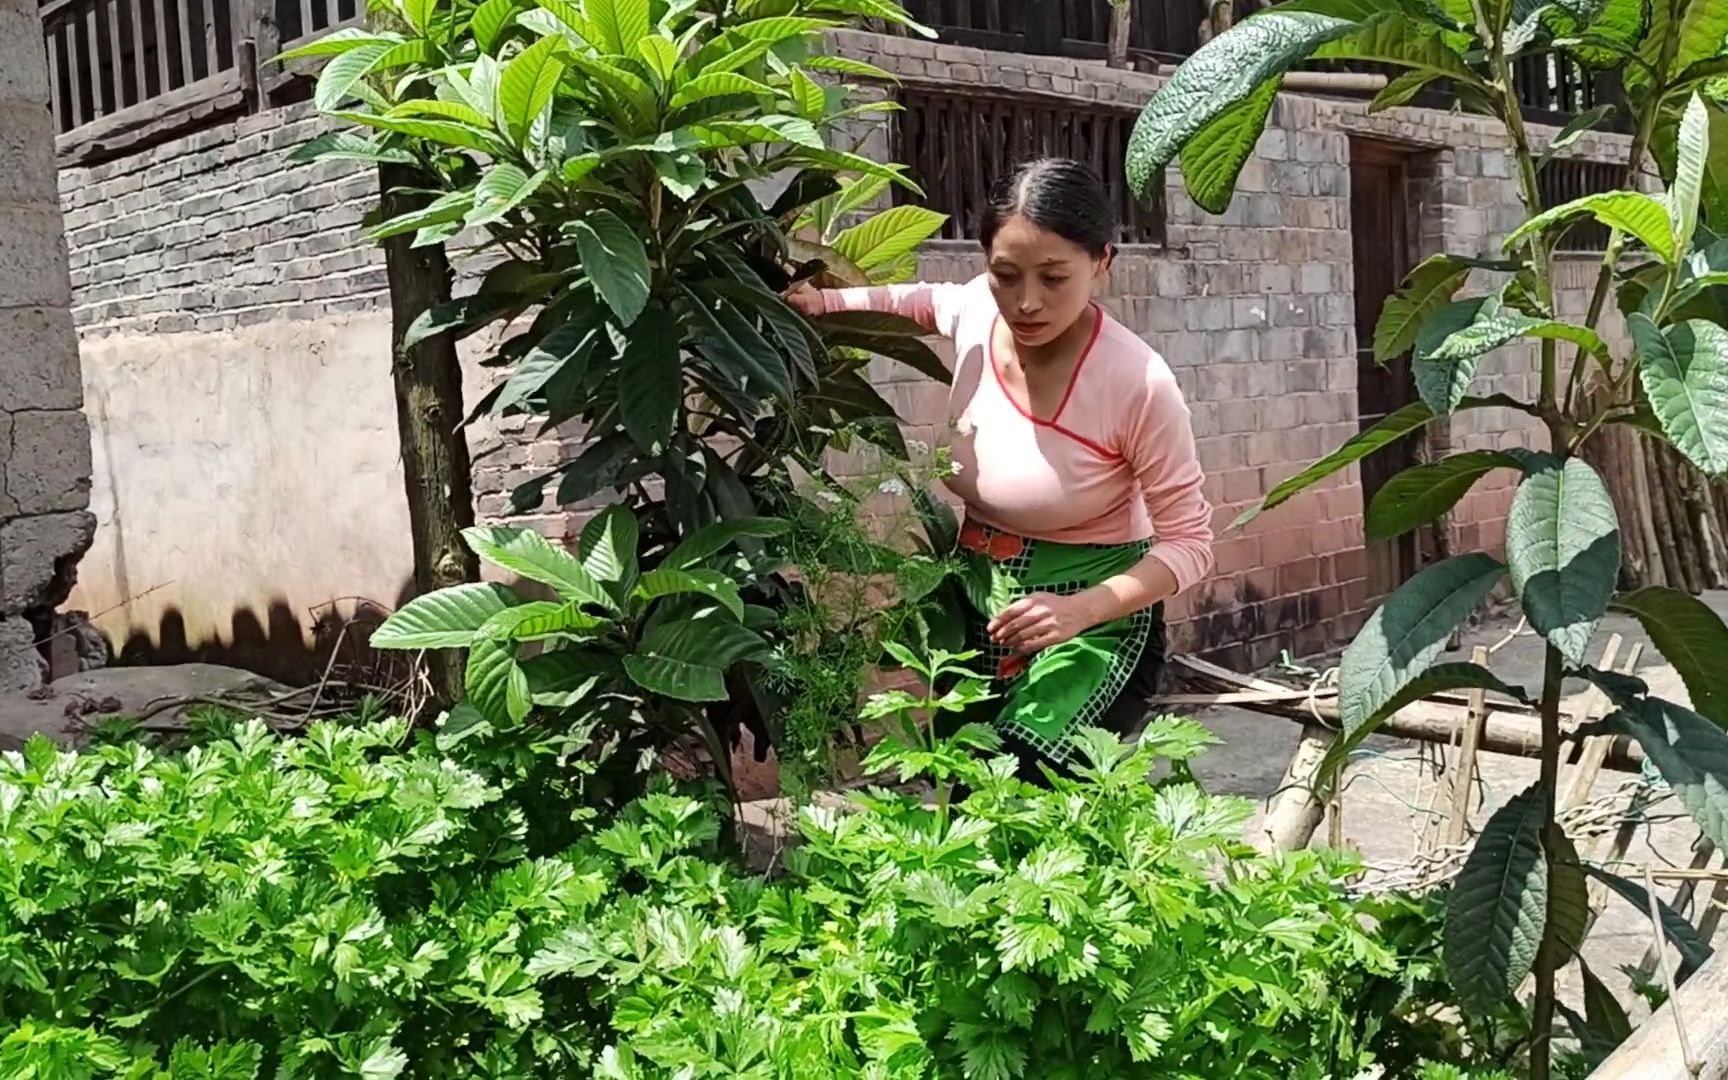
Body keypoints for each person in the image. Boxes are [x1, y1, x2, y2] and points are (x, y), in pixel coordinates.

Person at [788, 158, 1215, 783]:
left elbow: (1191, 544)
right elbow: (920, 300)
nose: (1027, 302)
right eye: (1005, 276)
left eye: (1054, 277)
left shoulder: (1139, 384)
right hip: (974, 602)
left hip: (1092, 627)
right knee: (961, 779)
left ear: (1102, 263)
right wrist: (821, 302)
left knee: (1022, 777)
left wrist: (1082, 611)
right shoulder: (978, 315)